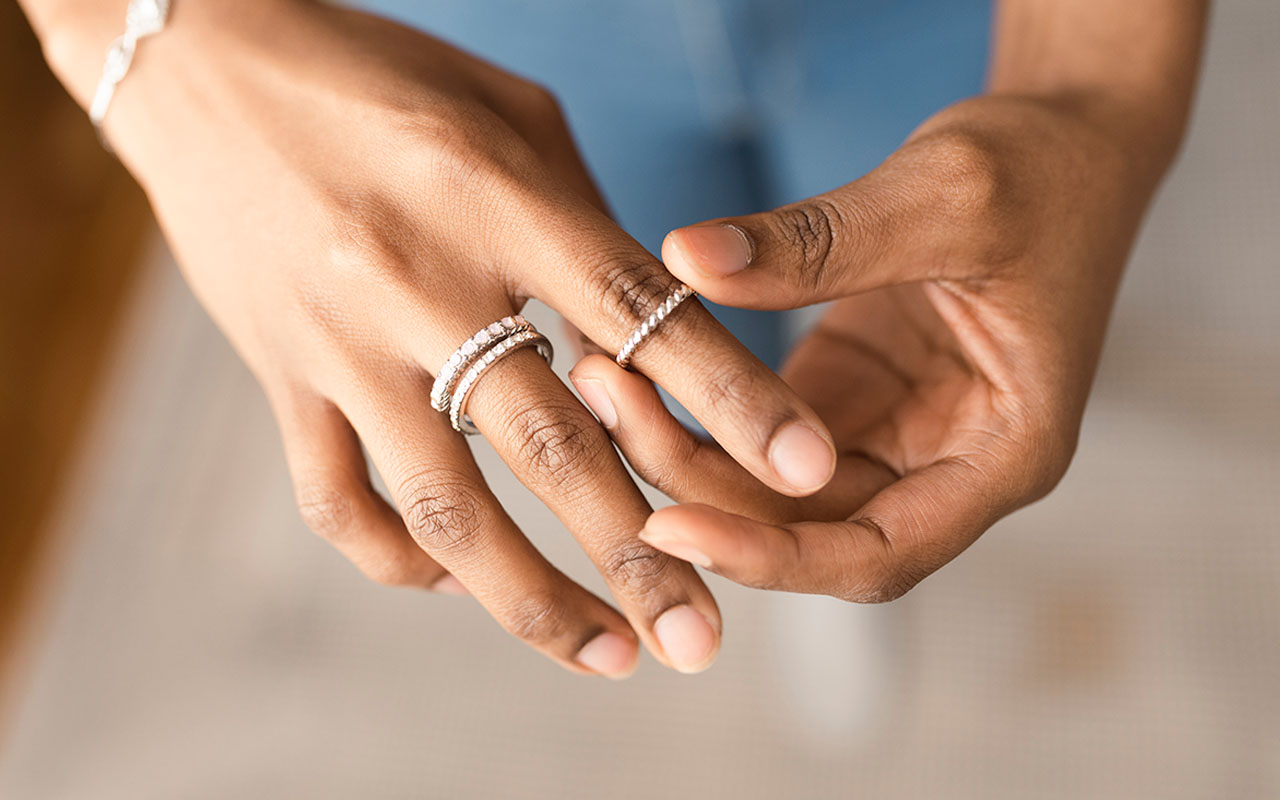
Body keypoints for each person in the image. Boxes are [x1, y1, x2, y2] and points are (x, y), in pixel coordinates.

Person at [16, 0, 1206, 679]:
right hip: (486, 32)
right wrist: (141, 42)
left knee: (938, 286)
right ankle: (784, 568)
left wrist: (1093, 93)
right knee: (660, 396)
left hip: (956, 18)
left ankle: (842, 576)